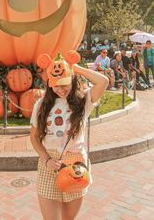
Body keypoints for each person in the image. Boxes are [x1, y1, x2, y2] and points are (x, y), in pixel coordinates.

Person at [30, 52, 108, 220]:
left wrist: (76, 68)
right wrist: (47, 159)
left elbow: (104, 81)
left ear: (72, 79)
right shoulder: (41, 105)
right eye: (56, 85)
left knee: (68, 218)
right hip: (49, 165)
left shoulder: (83, 101)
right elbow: (34, 137)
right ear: (50, 84)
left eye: (64, 84)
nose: (60, 89)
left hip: (75, 164)